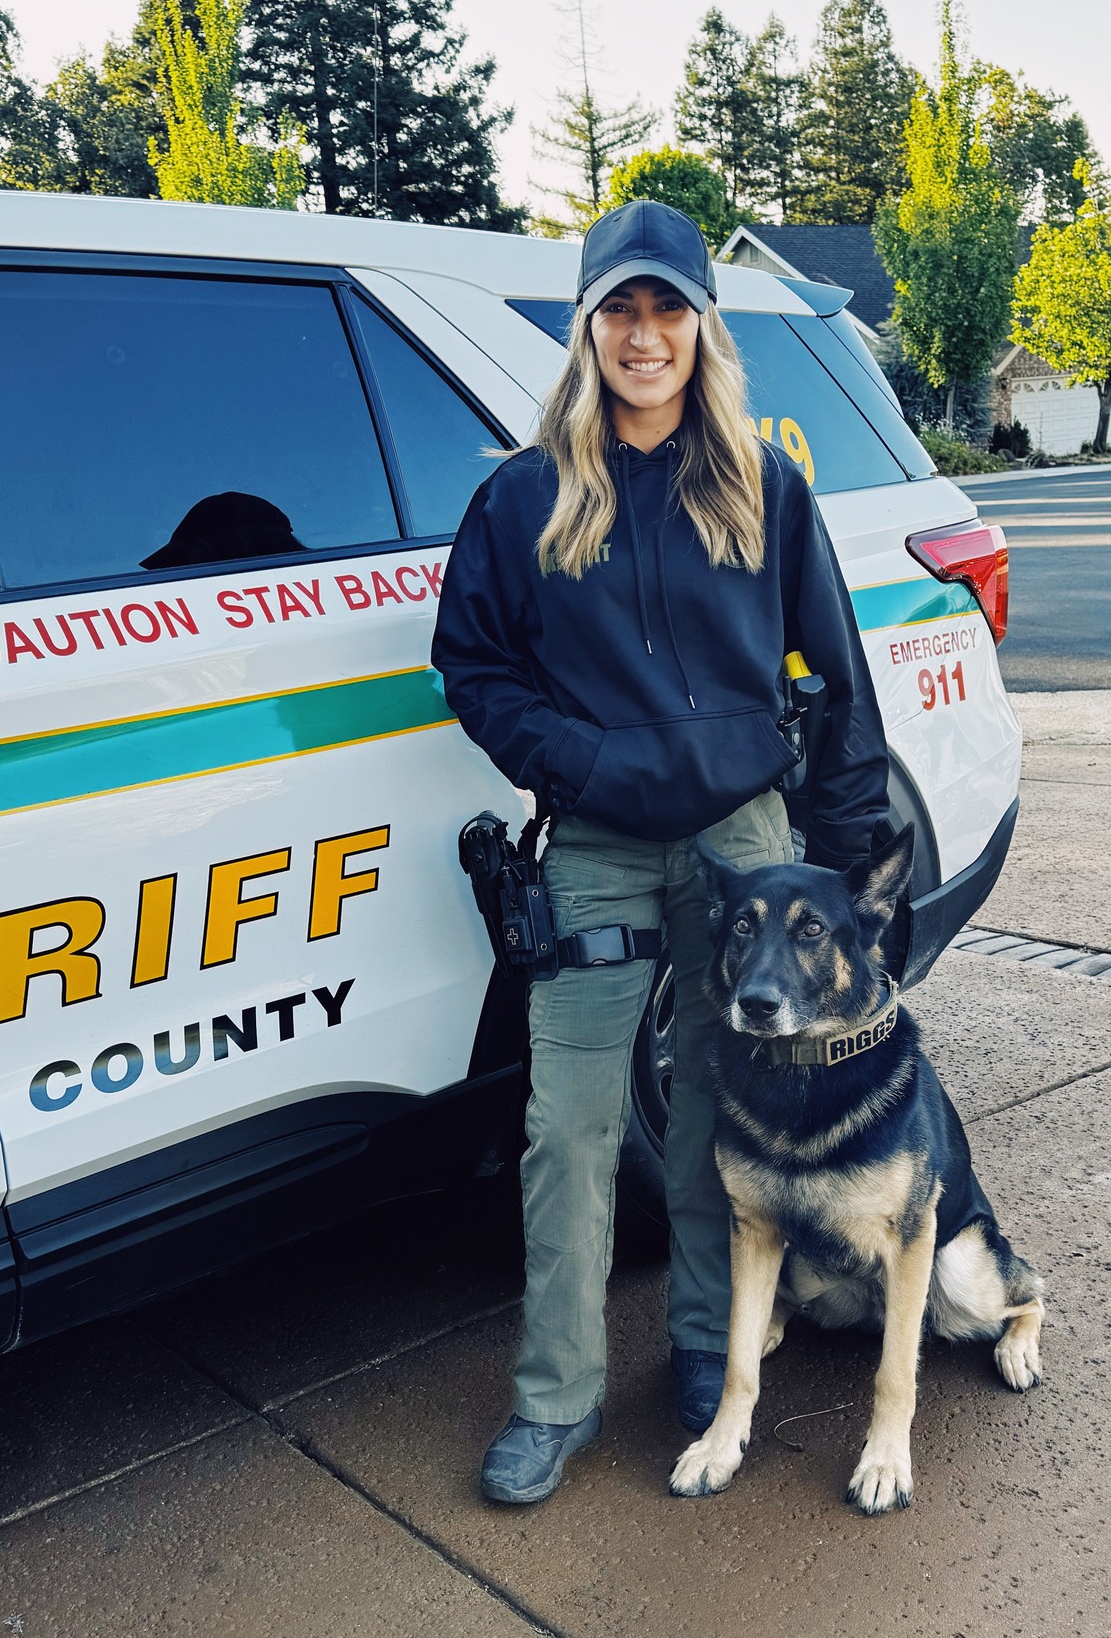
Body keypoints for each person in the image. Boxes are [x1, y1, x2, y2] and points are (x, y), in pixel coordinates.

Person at [431, 198, 890, 1505]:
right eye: (618, 312)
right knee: (568, 1128)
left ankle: (706, 1350)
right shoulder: (524, 497)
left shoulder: (762, 483)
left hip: (742, 846)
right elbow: (471, 665)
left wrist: (853, 854)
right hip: (593, 849)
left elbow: (834, 672)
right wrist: (574, 762)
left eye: (666, 310)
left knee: (718, 1111)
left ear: (701, 328)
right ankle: (554, 1396)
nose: (643, 336)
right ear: (586, 331)